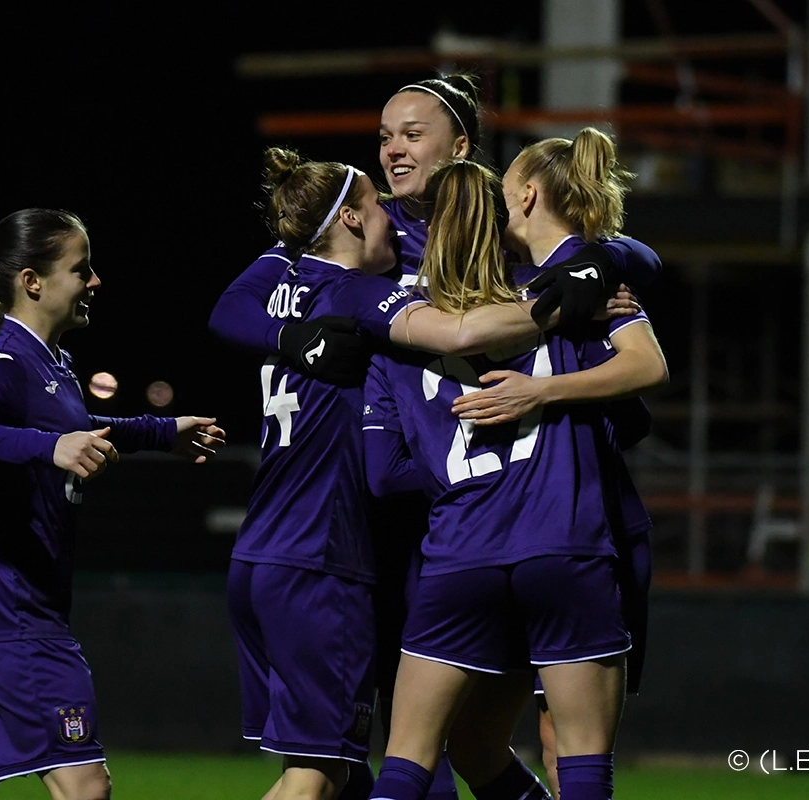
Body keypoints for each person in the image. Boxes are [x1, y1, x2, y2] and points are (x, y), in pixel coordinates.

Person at [210, 74, 657, 799]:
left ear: (461, 145)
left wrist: (598, 262)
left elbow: (632, 253)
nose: (393, 149)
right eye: (384, 135)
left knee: (508, 736)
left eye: (412, 133)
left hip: (527, 508)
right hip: (424, 524)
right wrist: (296, 340)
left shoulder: (495, 223)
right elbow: (232, 308)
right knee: (423, 736)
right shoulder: (363, 234)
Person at [363, 159, 667, 800]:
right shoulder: (565, 299)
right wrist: (552, 389)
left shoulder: (394, 327)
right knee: (578, 758)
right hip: (563, 535)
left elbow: (385, 473)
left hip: (458, 551)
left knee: (411, 759)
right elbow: (644, 372)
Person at [0, 208, 226, 800]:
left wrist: (161, 434)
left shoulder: (51, 362)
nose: (95, 281)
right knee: (86, 787)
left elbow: (81, 425)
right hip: (15, 616)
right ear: (33, 281)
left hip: (6, 614)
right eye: (81, 269)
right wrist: (50, 446)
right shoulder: (3, 361)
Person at [449, 128, 662, 798]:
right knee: (475, 743)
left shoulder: (588, 273)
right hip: (518, 533)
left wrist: (538, 390)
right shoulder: (530, 283)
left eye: (504, 192)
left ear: (528, 193)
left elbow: (646, 363)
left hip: (586, 526)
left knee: (565, 743)